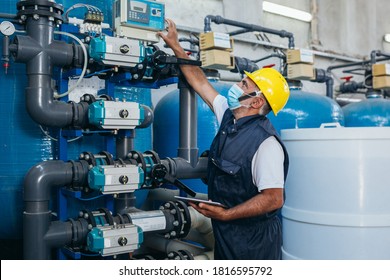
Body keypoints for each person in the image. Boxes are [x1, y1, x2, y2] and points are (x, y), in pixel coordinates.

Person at [158, 19, 290, 260]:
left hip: (253, 240)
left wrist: (227, 214)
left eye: (243, 84)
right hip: (226, 230)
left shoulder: (266, 144)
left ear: (257, 101)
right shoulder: (230, 116)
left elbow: (273, 199)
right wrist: (176, 46)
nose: (236, 86)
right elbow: (199, 82)